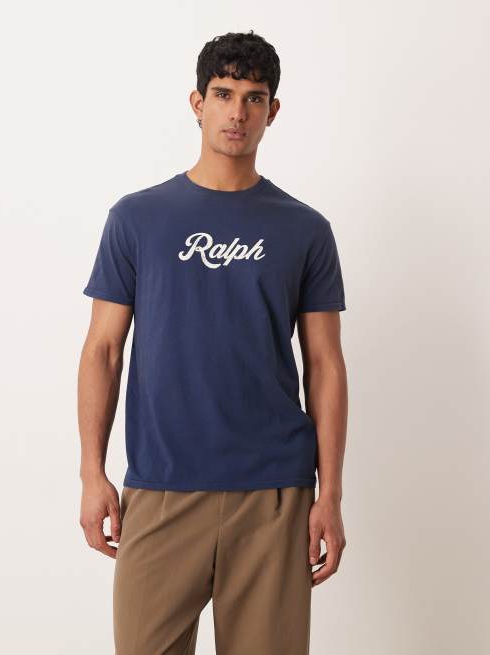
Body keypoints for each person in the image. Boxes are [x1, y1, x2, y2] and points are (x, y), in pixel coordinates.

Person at [78, 29, 348, 655]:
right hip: (161, 489)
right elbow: (103, 351)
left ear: (272, 111)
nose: (237, 113)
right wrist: (92, 474)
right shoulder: (137, 219)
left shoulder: (305, 229)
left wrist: (330, 495)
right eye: (224, 94)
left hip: (274, 494)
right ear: (197, 103)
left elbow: (325, 364)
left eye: (254, 98)